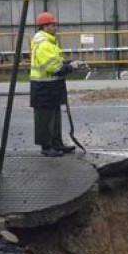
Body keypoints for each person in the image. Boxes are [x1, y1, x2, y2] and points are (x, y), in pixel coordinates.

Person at [30, 11, 84, 157]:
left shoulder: (50, 42)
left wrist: (68, 63)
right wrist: (71, 67)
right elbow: (54, 68)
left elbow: (56, 63)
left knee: (54, 117)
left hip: (51, 86)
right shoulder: (43, 44)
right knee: (45, 118)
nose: (55, 27)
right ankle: (46, 147)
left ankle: (57, 143)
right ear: (45, 26)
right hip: (43, 88)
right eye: (53, 25)